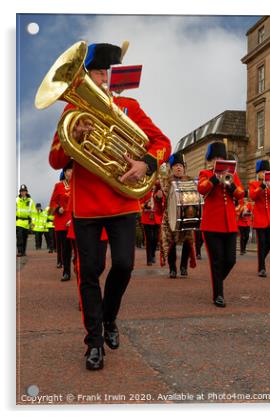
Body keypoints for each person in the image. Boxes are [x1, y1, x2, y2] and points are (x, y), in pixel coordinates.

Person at [48, 43, 171, 370]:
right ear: (89, 75)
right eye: (99, 72)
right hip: (86, 206)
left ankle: (110, 317)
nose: (104, 78)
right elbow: (55, 159)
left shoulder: (130, 106)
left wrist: (146, 163)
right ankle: (94, 342)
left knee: (123, 265)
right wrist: (74, 133)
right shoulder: (72, 110)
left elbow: (163, 144)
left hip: (122, 201)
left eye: (108, 72)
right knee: (88, 273)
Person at [197, 141, 245, 307]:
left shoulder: (233, 174)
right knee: (216, 261)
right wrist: (214, 179)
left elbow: (240, 194)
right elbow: (202, 189)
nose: (218, 160)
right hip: (211, 224)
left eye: (221, 157)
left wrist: (230, 185)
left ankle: (217, 282)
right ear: (211, 160)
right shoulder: (205, 173)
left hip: (230, 223)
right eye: (215, 158)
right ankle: (218, 294)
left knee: (230, 260)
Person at [159, 153, 197, 278]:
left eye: (180, 165)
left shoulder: (190, 180)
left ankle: (183, 266)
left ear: (184, 168)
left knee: (187, 242)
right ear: (171, 168)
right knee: (171, 243)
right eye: (175, 165)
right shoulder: (165, 181)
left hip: (187, 215)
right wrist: (157, 196)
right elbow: (157, 199)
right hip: (170, 217)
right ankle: (172, 268)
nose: (178, 168)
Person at [249, 159, 270, 278]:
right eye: (262, 171)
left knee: (269, 242)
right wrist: (262, 186)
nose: (264, 173)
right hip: (260, 218)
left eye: (265, 171)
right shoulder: (254, 184)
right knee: (262, 243)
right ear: (258, 173)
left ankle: (261, 259)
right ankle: (261, 268)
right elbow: (252, 196)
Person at [49, 162, 74, 281]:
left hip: (76, 220)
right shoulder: (58, 186)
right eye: (69, 170)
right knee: (65, 249)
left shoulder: (79, 185)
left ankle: (78, 266)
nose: (71, 172)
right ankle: (66, 272)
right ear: (65, 173)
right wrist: (58, 209)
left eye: (73, 170)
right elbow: (52, 203)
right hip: (62, 221)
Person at [140, 180, 164, 266]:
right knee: (149, 239)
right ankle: (149, 259)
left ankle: (153, 254)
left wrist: (159, 197)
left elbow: (162, 203)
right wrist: (145, 205)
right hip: (147, 218)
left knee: (155, 239)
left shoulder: (159, 191)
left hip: (157, 217)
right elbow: (140, 202)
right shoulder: (144, 190)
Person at [16, 184, 35, 257]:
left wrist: (32, 222)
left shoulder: (30, 201)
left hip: (27, 223)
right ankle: (20, 251)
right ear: (20, 192)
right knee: (19, 237)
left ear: (26, 192)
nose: (23, 192)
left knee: (24, 238)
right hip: (19, 222)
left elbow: (33, 213)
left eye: (24, 191)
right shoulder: (16, 200)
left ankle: (23, 251)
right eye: (21, 191)